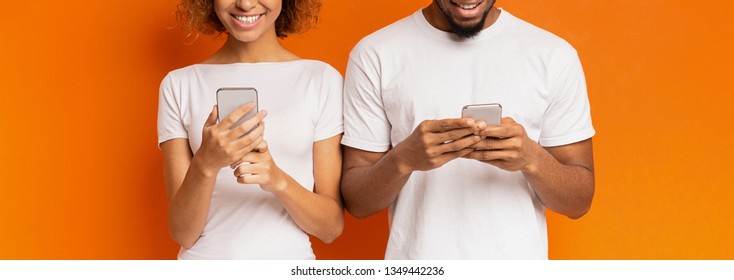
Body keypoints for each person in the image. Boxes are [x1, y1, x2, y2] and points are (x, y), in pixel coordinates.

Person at [341, 0, 595, 259]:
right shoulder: (375, 54)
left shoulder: (553, 56)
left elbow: (579, 202)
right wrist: (403, 159)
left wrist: (532, 158)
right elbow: (358, 203)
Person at [157, 0, 344, 259]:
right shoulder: (179, 84)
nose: (245, 4)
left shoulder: (321, 80)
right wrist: (205, 164)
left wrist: (277, 180)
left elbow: (331, 228)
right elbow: (183, 233)